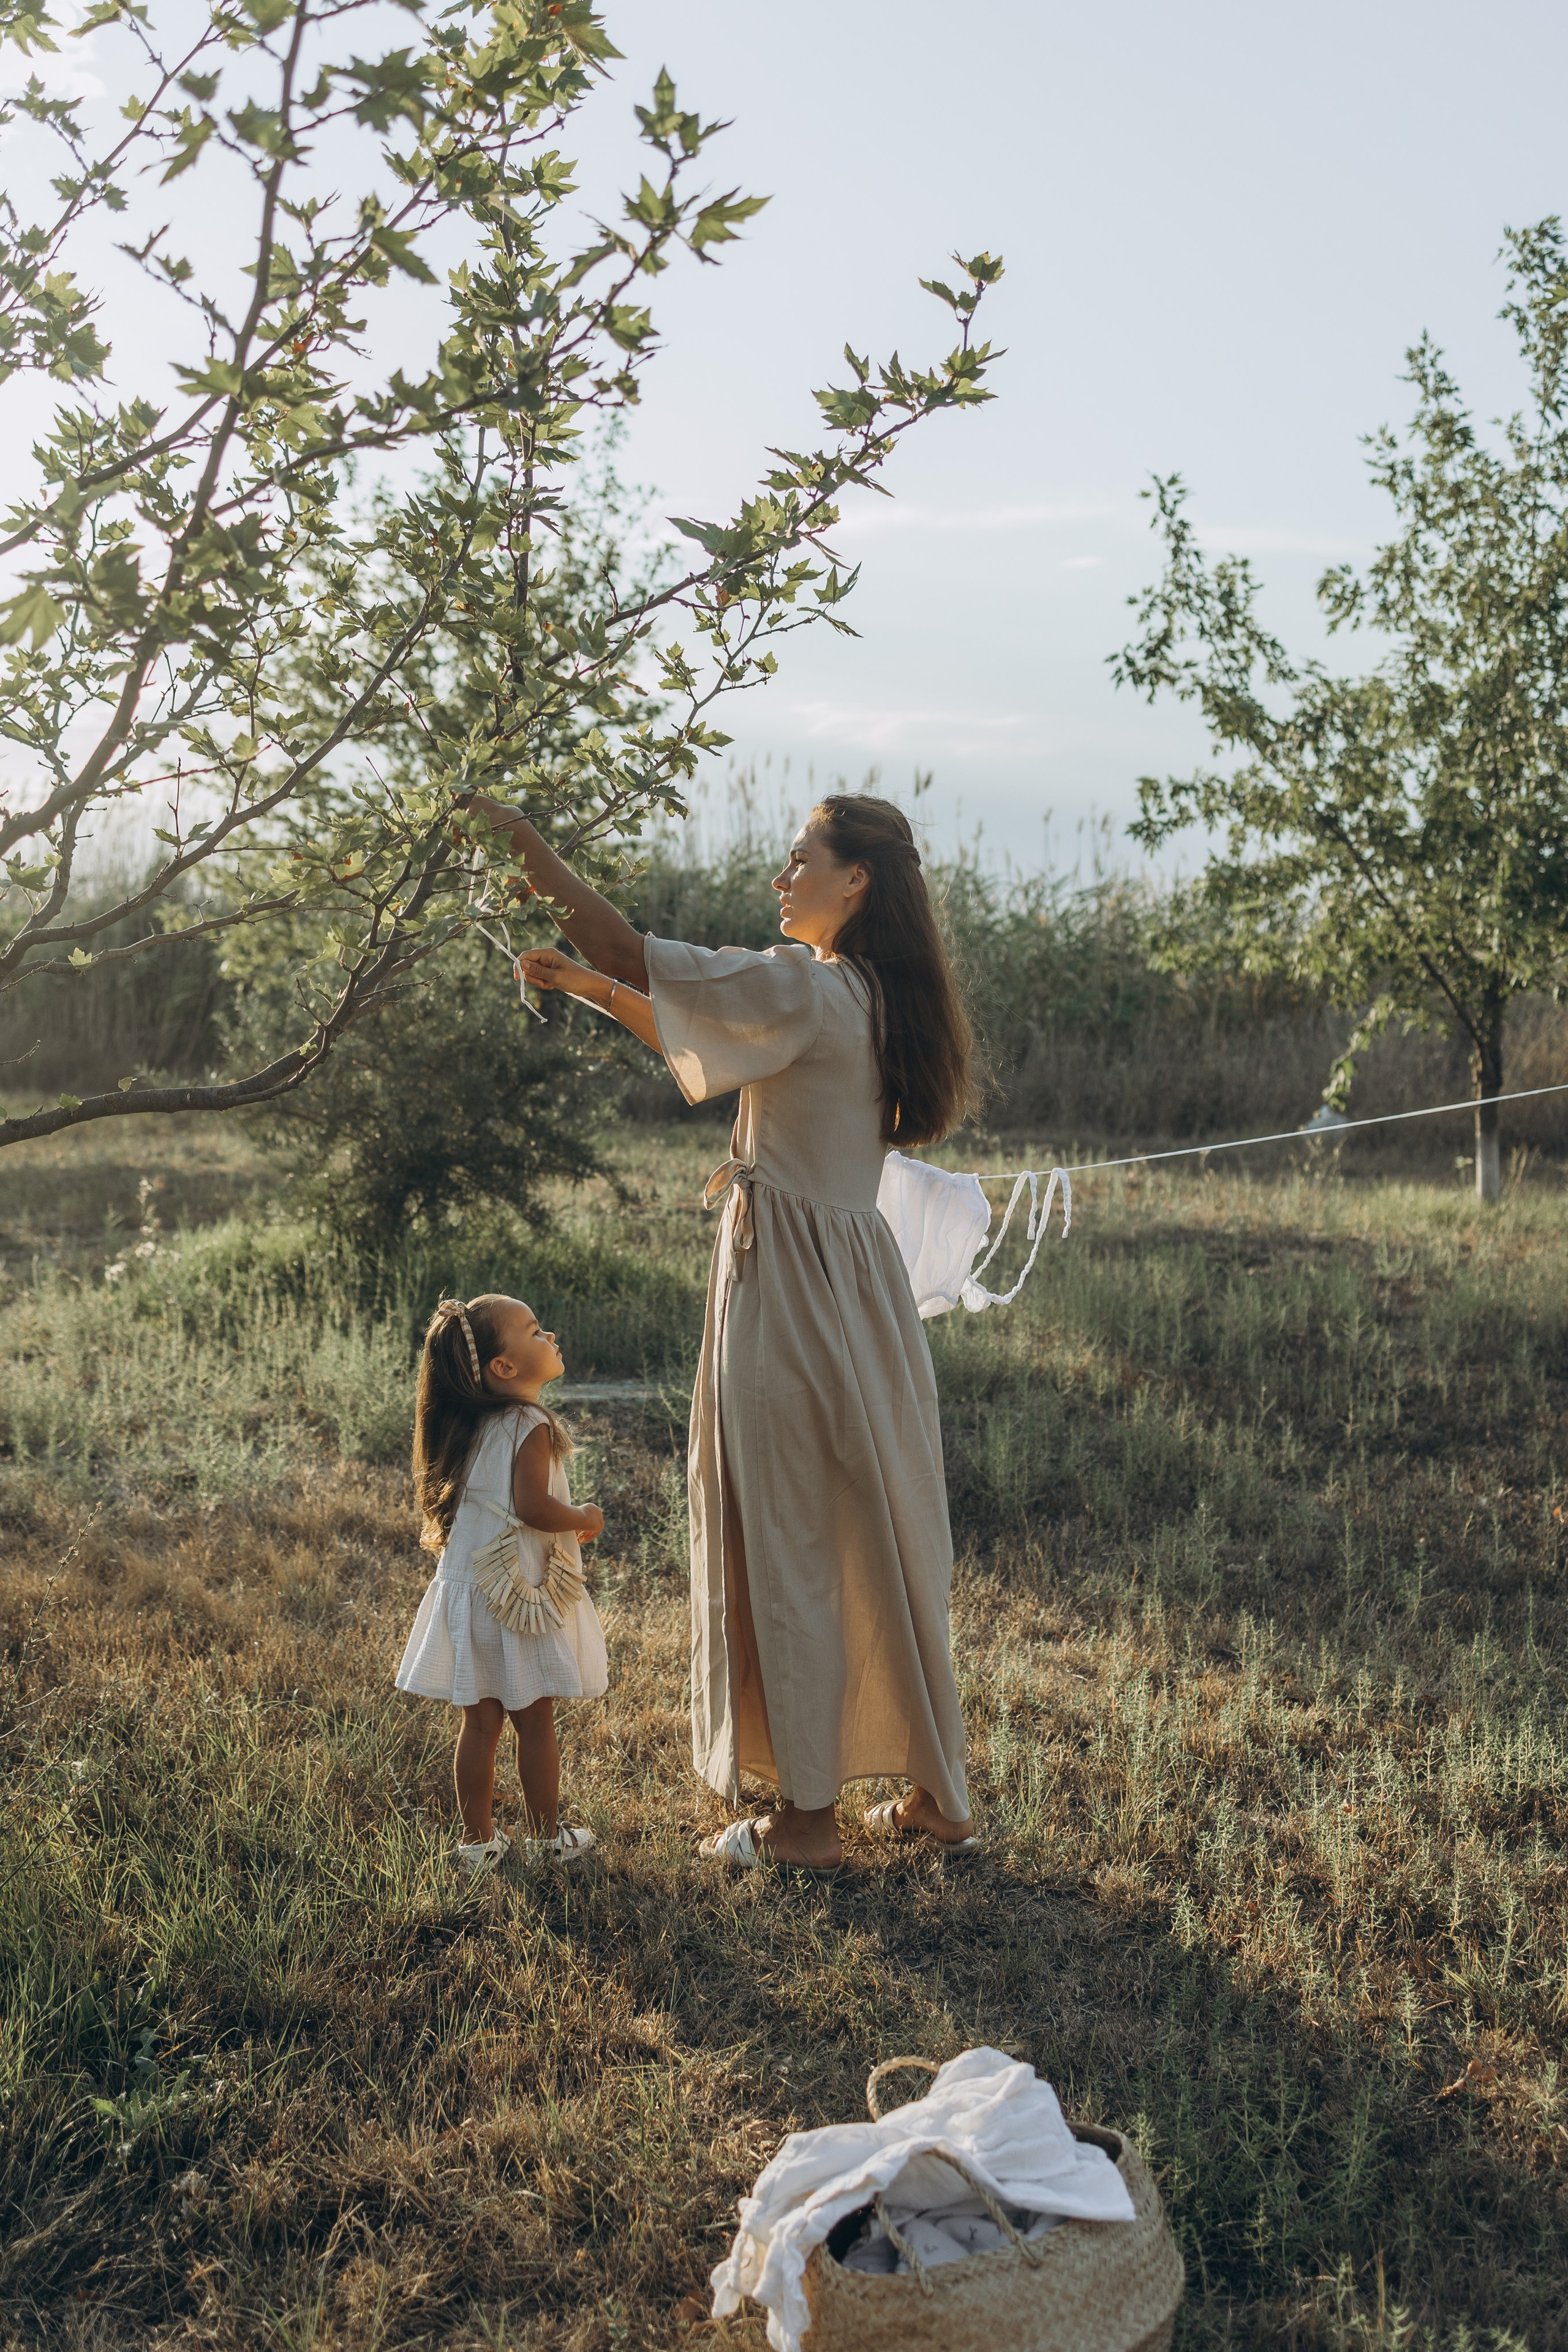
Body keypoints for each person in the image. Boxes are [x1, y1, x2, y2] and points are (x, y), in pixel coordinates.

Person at [472, 790, 979, 1872]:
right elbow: (708, 1028)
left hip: (792, 1286)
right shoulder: (876, 997)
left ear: (857, 883)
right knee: (880, 1533)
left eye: (802, 858)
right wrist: (595, 990)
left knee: (789, 1531)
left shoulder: (809, 983)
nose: (780, 875)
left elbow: (623, 939)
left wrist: (520, 842)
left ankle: (804, 1825)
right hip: (860, 1290)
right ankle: (940, 1795)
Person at [396, 1293, 606, 1873]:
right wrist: (583, 1517)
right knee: (535, 1720)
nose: (551, 1336)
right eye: (536, 1331)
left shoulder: (468, 1426)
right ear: (503, 1368)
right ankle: (544, 1840)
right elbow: (533, 1506)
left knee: (480, 1721)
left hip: (472, 1592)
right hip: (517, 1598)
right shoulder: (530, 1423)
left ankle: (478, 1842)